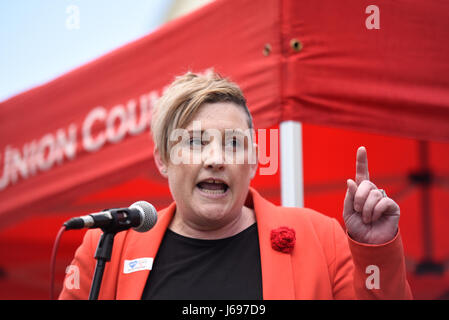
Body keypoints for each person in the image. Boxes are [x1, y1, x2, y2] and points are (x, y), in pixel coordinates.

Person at [59, 72, 412, 300]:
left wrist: (376, 251)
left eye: (232, 143)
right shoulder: (107, 246)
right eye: (195, 142)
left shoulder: (321, 238)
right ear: (162, 159)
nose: (216, 159)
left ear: (254, 159)